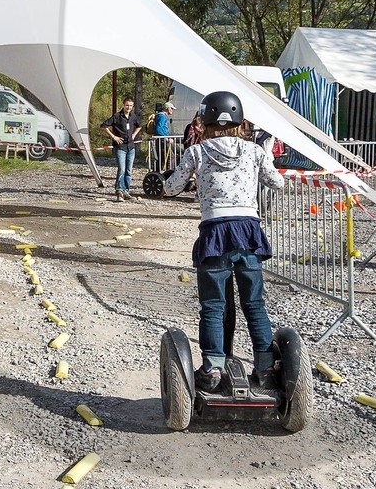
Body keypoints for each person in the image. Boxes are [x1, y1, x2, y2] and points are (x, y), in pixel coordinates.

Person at [163, 90, 286, 391]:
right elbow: (278, 183)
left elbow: (171, 187)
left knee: (214, 305)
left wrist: (181, 180)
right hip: (247, 231)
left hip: (215, 231)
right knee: (254, 303)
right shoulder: (255, 152)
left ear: (203, 121)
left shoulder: (196, 152)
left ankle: (214, 367)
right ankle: (266, 367)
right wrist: (263, 162)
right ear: (241, 122)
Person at [101, 97, 143, 201]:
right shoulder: (117, 116)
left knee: (129, 170)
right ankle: (119, 190)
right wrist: (113, 137)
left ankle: (126, 191)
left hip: (131, 147)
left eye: (130, 106)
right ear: (123, 105)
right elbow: (103, 125)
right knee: (122, 169)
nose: (128, 107)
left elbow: (139, 126)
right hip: (120, 147)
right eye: (127, 105)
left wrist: (133, 135)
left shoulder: (133, 116)